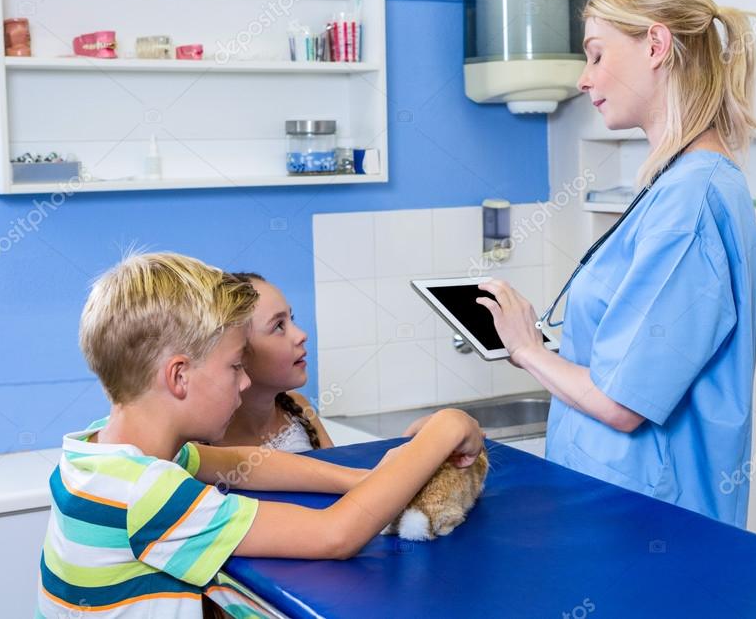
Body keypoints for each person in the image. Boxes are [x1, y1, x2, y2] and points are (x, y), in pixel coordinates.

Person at [36, 252, 483, 617]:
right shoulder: (146, 492)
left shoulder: (104, 451)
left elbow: (240, 464)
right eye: (234, 367)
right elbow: (335, 536)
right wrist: (445, 428)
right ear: (179, 377)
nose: (245, 381)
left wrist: (361, 480)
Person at [476, 0, 756, 527]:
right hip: (613, 510)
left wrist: (527, 350)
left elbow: (622, 404)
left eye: (597, 54)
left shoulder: (693, 200)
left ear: (656, 45)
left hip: (652, 524)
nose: (585, 78)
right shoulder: (674, 187)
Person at [213, 272, 333, 452]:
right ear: (237, 351)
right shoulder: (204, 442)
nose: (301, 335)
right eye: (278, 326)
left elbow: (342, 473)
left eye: (290, 319)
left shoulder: (298, 405)